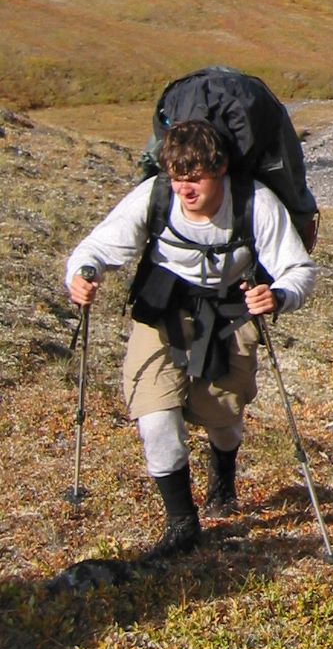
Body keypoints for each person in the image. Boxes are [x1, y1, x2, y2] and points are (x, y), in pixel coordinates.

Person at [65, 118, 317, 557]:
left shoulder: (255, 202)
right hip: (161, 310)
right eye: (177, 176)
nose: (184, 189)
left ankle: (223, 469)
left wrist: (277, 295)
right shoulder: (155, 196)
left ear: (220, 169)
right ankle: (182, 522)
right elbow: (98, 247)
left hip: (230, 314)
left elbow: (299, 270)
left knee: (223, 416)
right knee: (154, 410)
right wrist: (82, 274)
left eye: (195, 177)